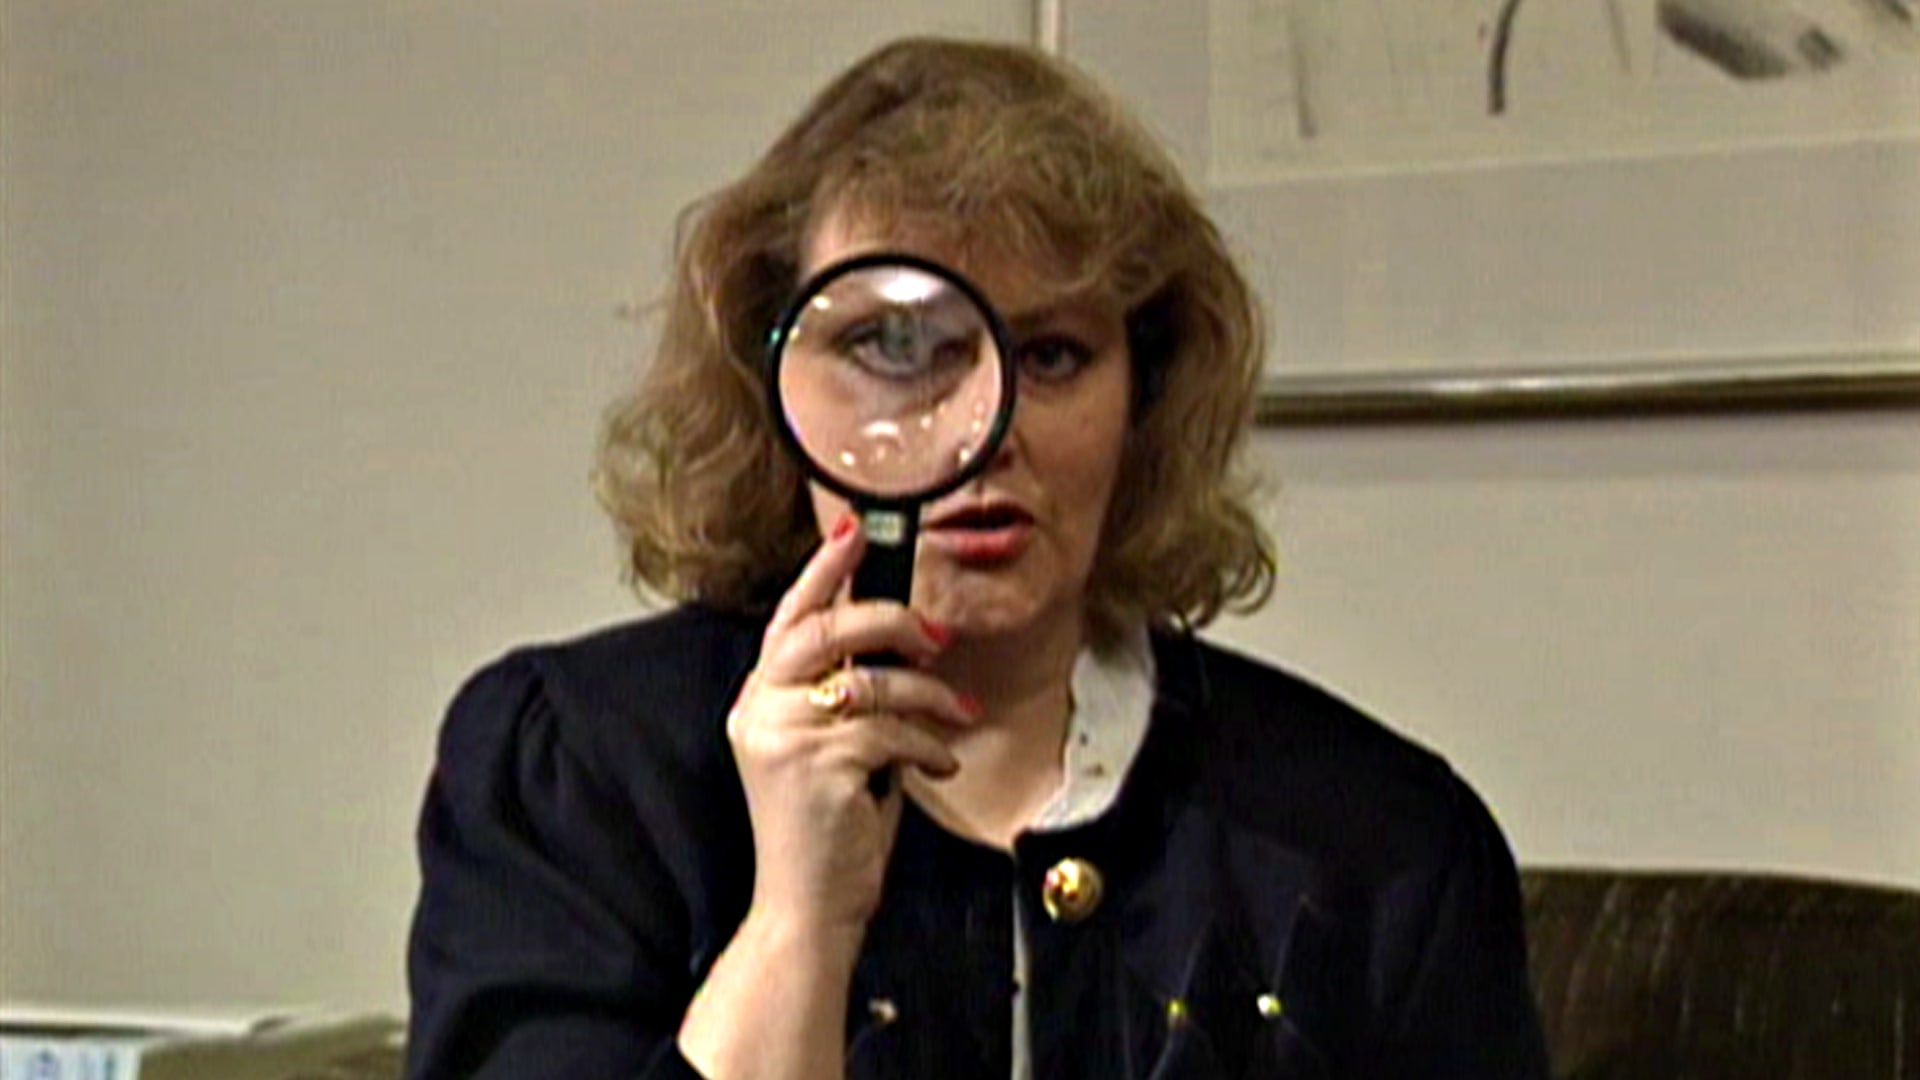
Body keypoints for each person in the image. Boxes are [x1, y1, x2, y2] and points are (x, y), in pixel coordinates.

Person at [404, 36, 1549, 1080]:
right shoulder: (580, 780)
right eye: (891, 346)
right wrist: (797, 921)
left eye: (1051, 356)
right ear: (771, 384)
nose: (980, 430)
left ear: (1145, 395)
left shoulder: (1377, 846)